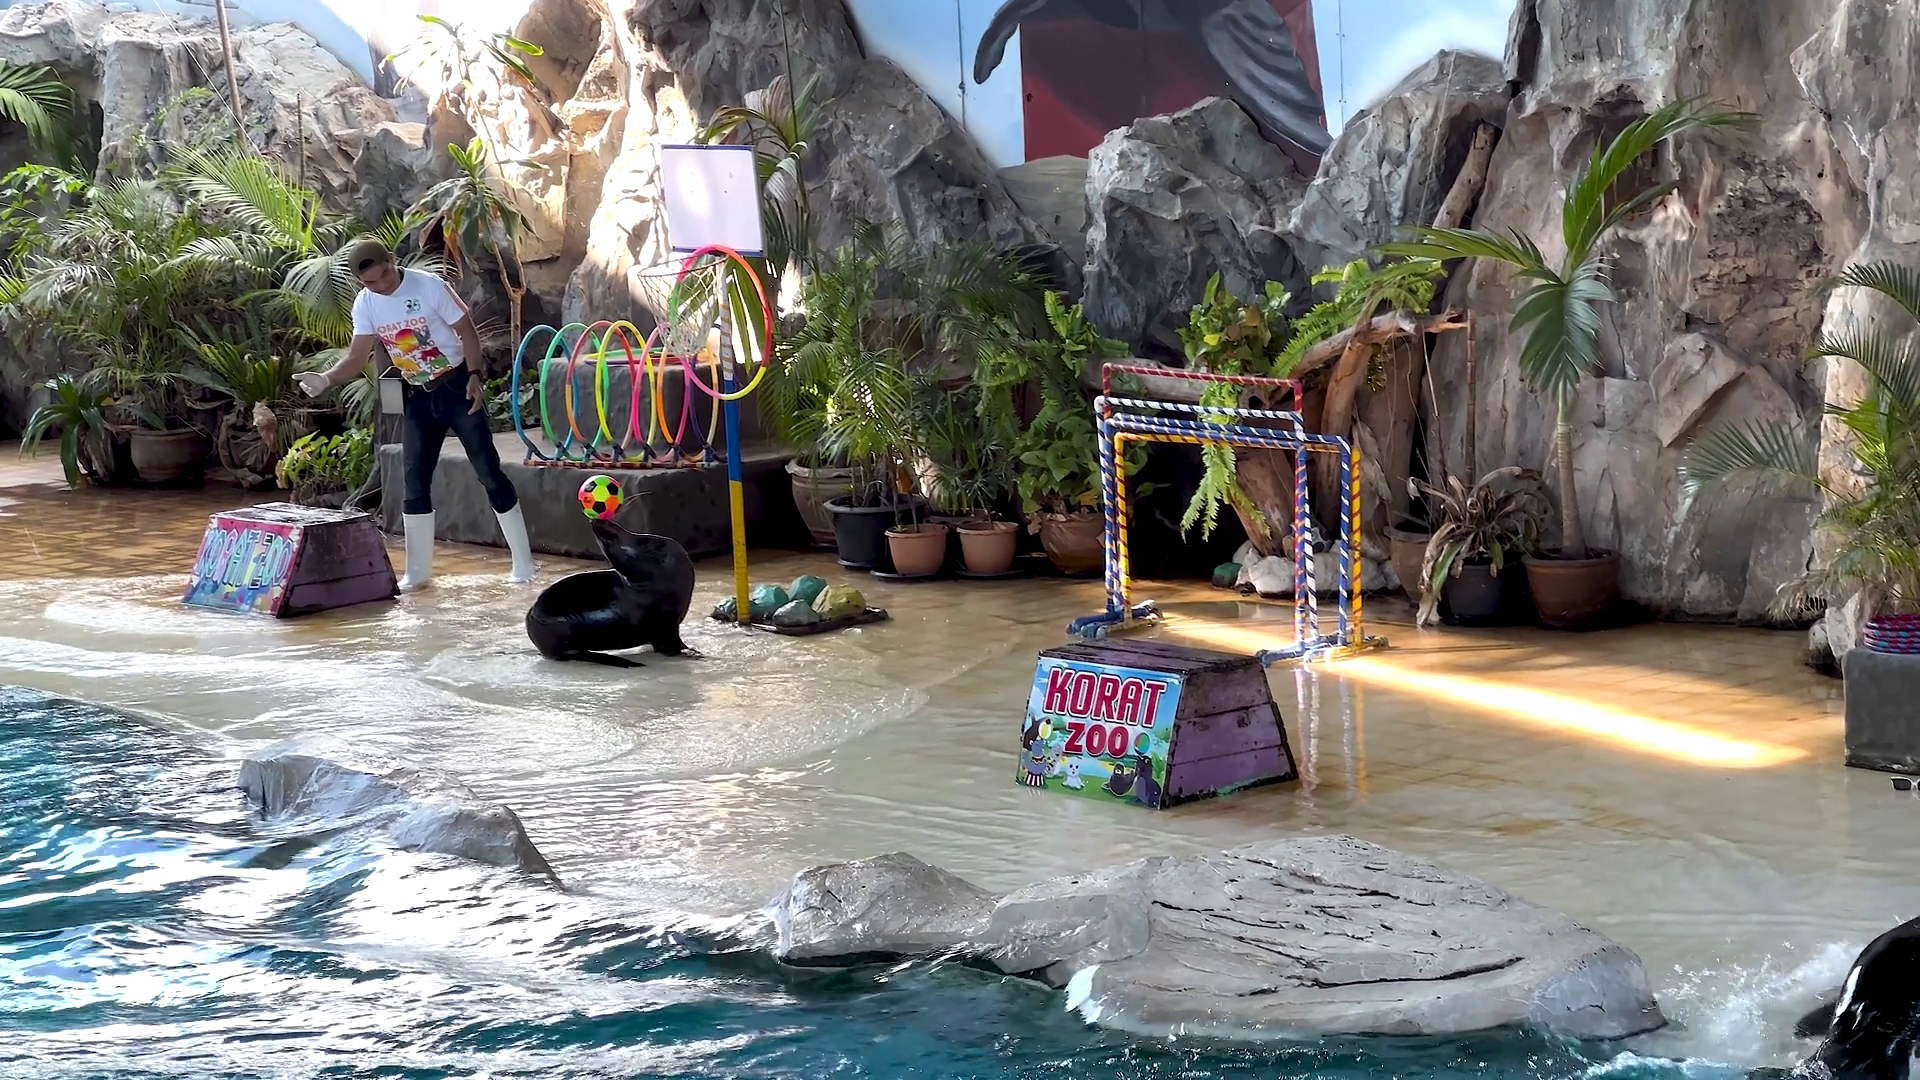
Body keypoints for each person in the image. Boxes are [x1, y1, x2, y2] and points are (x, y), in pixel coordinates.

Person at [295, 239, 537, 590]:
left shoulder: (429, 286)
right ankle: (417, 573)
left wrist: (474, 376)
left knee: (488, 470)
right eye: (370, 282)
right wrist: (326, 379)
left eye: (384, 275)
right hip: (418, 396)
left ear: (392, 261)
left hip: (456, 387)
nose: (381, 285)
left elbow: (466, 331)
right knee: (414, 479)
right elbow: (357, 356)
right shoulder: (366, 303)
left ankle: (523, 563)